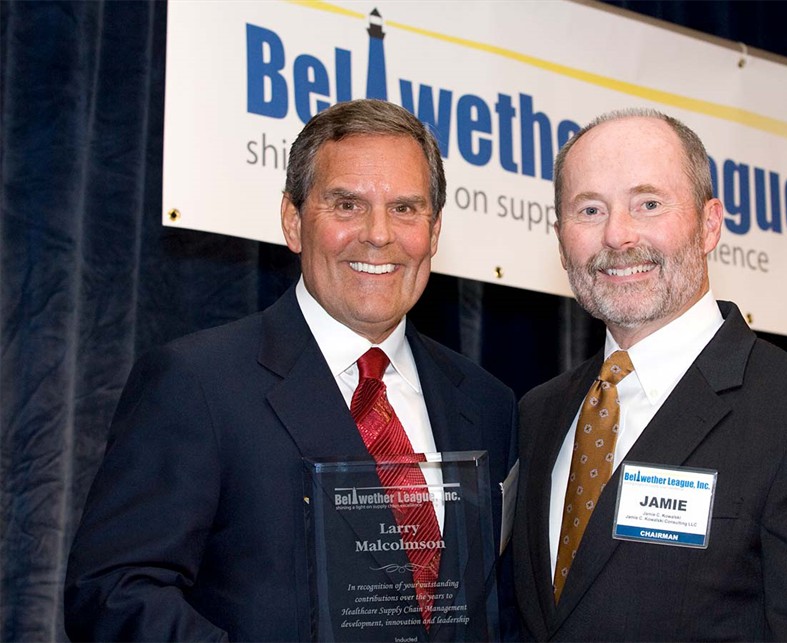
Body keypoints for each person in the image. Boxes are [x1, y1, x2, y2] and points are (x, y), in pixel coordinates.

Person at [65, 99, 519, 641]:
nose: (378, 234)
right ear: (293, 221)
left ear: (435, 230)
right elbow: (112, 591)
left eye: (405, 208)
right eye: (347, 205)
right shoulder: (197, 383)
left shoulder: (489, 404)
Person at [512, 108, 787, 641]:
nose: (618, 235)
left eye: (648, 203)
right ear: (561, 240)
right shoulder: (540, 413)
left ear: (709, 224)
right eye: (589, 209)